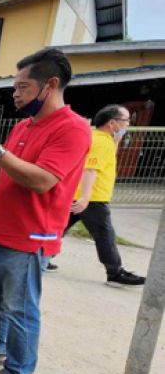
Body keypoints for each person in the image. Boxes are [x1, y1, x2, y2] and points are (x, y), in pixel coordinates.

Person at [0, 48, 91, 374]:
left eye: (23, 87)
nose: (16, 94)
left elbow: (43, 180)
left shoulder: (73, 129)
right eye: (15, 87)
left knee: (20, 308)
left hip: (31, 237)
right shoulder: (24, 126)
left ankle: (18, 371)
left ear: (50, 85)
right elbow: (0, 173)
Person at [46, 105, 145, 286]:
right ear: (112, 123)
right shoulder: (101, 142)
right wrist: (85, 197)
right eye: (126, 120)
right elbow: (89, 170)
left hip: (82, 196)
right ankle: (115, 273)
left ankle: (40, 257)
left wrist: (116, 141)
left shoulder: (101, 138)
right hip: (92, 198)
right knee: (105, 234)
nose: (129, 124)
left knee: (59, 227)